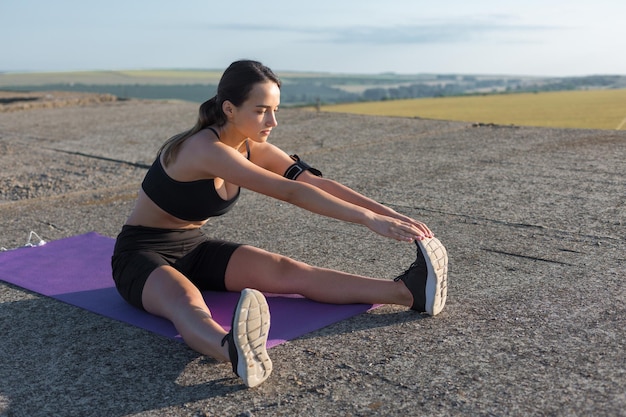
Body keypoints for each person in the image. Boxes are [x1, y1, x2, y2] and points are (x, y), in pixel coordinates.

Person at [111, 60, 448, 388]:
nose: (271, 120)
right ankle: (234, 352)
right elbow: (290, 191)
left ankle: (409, 292)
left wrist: (384, 212)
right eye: (261, 110)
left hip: (193, 245)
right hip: (140, 254)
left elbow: (313, 182)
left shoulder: (250, 146)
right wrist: (366, 219)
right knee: (185, 301)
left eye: (275, 110)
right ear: (229, 108)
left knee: (289, 270)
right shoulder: (205, 149)